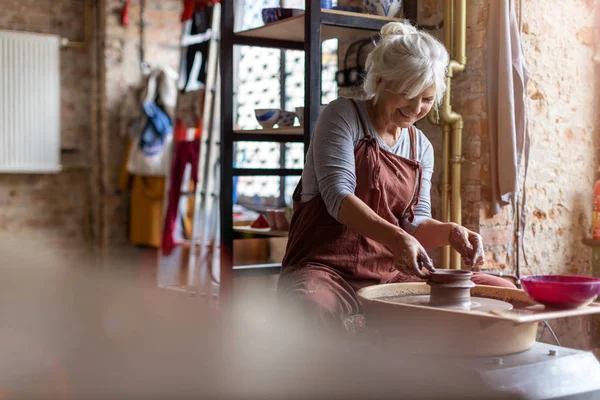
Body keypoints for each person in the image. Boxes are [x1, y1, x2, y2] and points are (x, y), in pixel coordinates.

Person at [277, 22, 516, 333]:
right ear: (379, 81)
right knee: (310, 306)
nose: (416, 108)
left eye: (427, 99)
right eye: (407, 93)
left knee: (504, 292)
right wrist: (399, 238)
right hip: (326, 271)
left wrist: (451, 232)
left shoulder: (421, 147)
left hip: (392, 274)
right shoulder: (342, 116)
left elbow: (414, 221)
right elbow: (338, 197)